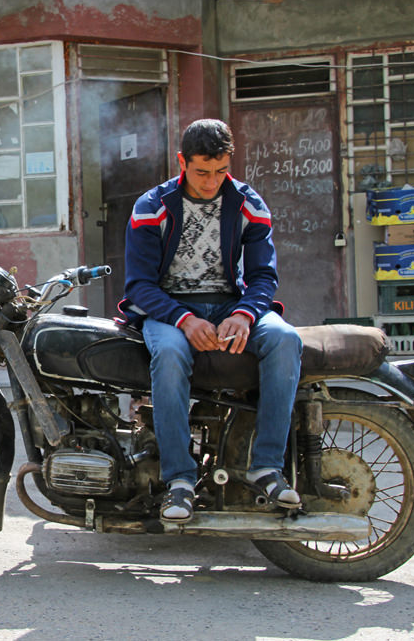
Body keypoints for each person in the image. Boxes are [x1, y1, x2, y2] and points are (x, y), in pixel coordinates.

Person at [121, 118, 302, 523]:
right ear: (182, 161)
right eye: (202, 171)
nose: (211, 182)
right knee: (168, 355)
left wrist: (243, 313)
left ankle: (267, 466)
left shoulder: (248, 204)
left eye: (221, 172)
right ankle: (180, 481)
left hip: (230, 305)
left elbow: (263, 277)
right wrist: (184, 319)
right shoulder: (151, 207)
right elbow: (139, 286)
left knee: (286, 340)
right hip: (168, 309)